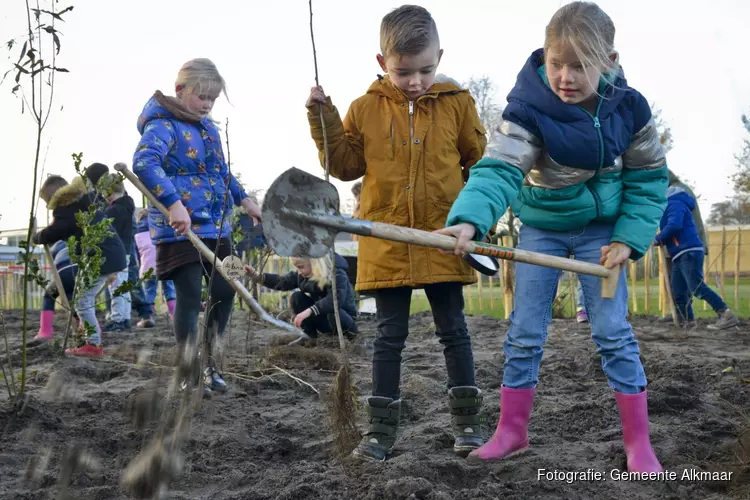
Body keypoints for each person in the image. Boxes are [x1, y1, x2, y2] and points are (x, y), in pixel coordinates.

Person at [437, 2, 667, 473]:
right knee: (523, 332)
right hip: (541, 229)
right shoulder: (528, 109)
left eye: (579, 65)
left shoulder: (630, 109)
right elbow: (499, 169)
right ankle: (511, 432)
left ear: (609, 61)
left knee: (612, 333)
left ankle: (638, 444)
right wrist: (470, 220)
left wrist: (628, 239)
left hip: (604, 235)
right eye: (555, 62)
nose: (564, 76)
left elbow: (647, 181)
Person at [306, 4, 488, 461]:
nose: (415, 81)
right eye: (404, 71)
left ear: (440, 56)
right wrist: (322, 117)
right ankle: (379, 433)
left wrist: (472, 214)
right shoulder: (364, 108)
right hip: (386, 242)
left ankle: (467, 425)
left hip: (444, 239)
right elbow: (344, 165)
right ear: (382, 62)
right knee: (389, 337)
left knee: (454, 331)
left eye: (426, 69)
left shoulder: (458, 103)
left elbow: (480, 163)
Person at [132, 58, 262, 396]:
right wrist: (174, 203)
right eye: (201, 96)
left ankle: (211, 364)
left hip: (217, 227)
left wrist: (245, 201)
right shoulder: (162, 125)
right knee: (189, 296)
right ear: (180, 90)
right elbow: (144, 163)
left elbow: (220, 172)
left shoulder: (210, 129)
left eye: (212, 99)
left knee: (227, 288)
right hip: (180, 228)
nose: (206, 104)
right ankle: (189, 369)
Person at [32, 175, 127, 357]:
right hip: (110, 254)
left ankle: (93, 345)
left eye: (46, 201)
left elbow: (56, 230)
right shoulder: (82, 201)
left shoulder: (66, 209)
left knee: (82, 300)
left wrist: (37, 237)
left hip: (101, 256)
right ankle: (89, 337)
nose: (46, 205)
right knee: (83, 298)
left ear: (55, 196)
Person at [653, 186, 739, 330]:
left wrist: (659, 238)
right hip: (678, 254)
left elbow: (675, 225)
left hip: (688, 250)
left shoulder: (675, 202)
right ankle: (689, 321)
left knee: (696, 287)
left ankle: (726, 314)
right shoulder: (668, 206)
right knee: (678, 291)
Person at [244, 254, 358, 339]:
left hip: (344, 321)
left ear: (314, 262)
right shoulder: (303, 276)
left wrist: (309, 311)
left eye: (301, 267)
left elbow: (335, 300)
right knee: (297, 297)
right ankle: (309, 336)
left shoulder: (337, 274)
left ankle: (351, 338)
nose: (299, 272)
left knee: (334, 311)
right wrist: (257, 276)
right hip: (324, 320)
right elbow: (282, 281)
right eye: (297, 268)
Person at [658, 169, 709, 323]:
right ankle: (679, 313)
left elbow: (678, 222)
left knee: (690, 284)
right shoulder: (671, 192)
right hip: (676, 244)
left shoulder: (677, 192)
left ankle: (684, 315)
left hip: (685, 244)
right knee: (676, 284)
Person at [99, 173, 135, 332]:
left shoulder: (115, 211)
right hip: (126, 251)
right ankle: (125, 317)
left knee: (116, 286)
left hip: (117, 253)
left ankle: (118, 319)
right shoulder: (126, 206)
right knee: (122, 286)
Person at [134, 208, 176, 327]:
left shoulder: (137, 235)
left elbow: (136, 255)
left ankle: (149, 317)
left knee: (149, 292)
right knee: (170, 290)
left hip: (148, 268)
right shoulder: (161, 230)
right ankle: (175, 315)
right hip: (167, 264)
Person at [32, 239, 78, 343]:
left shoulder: (57, 245)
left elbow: (55, 267)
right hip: (81, 270)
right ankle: (88, 327)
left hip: (64, 271)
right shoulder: (77, 239)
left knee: (49, 296)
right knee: (76, 299)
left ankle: (45, 331)